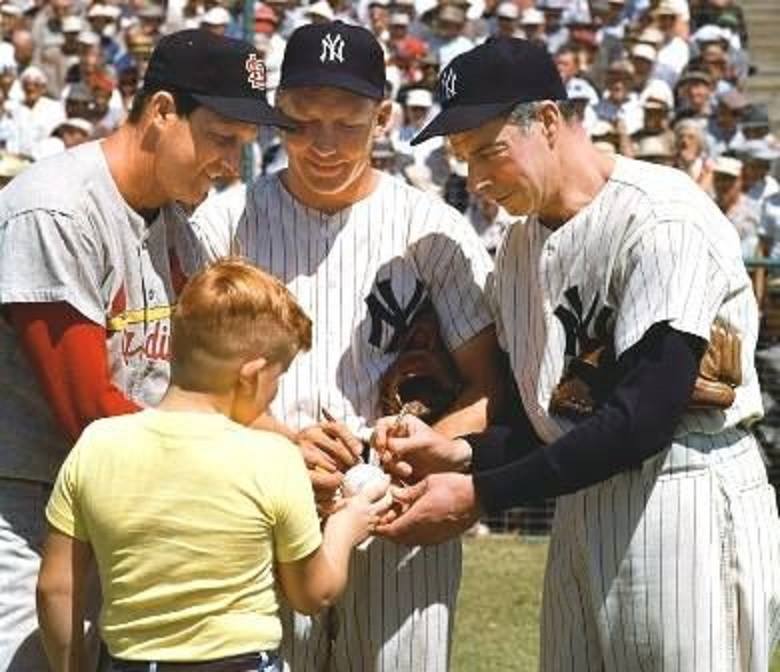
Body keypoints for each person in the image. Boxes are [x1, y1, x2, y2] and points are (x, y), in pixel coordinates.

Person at [375, 37, 780, 671]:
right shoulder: (515, 251)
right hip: (580, 497)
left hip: (682, 494)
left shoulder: (661, 218)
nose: (477, 178)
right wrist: (460, 452)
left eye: (489, 151)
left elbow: (641, 420)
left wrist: (480, 493)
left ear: (548, 121)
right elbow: (560, 418)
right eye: (462, 157)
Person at [194, 20, 503, 672]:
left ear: (384, 117)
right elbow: (188, 381)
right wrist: (276, 436)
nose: (326, 145)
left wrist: (434, 444)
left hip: (398, 515)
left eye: (350, 122)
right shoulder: (225, 221)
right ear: (278, 115)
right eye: (304, 122)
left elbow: (489, 386)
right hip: (261, 507)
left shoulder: (432, 230)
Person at [0, 29, 291, 671]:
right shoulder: (58, 212)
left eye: (244, 148)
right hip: (25, 513)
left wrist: (289, 443)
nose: (230, 165)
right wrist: (245, 467)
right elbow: (89, 415)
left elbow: (206, 391)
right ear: (161, 111)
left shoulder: (180, 229)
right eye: (221, 140)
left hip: (130, 508)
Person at [36, 258, 393, 672]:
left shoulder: (96, 445)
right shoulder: (272, 458)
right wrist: (346, 526)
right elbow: (312, 594)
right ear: (252, 375)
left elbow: (55, 588)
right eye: (278, 378)